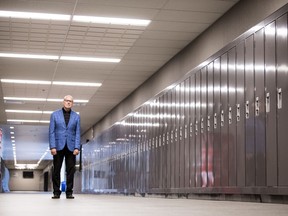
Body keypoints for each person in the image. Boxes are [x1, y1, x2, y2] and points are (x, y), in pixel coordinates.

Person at [49, 95, 80, 199]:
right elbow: (51, 132)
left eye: (70, 101)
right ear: (63, 102)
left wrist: (77, 147)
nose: (68, 102)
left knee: (71, 170)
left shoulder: (76, 116)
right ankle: (56, 192)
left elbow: (77, 133)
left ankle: (69, 192)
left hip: (71, 147)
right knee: (56, 170)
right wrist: (52, 146)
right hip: (58, 146)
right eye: (67, 101)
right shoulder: (54, 115)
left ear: (73, 103)